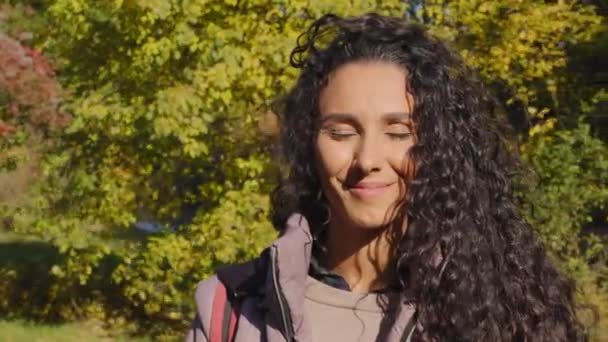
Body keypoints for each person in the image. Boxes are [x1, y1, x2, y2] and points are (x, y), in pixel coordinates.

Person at [186, 13, 583, 342]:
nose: (368, 159)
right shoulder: (230, 310)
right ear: (309, 145)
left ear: (440, 148)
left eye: (398, 132)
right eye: (341, 132)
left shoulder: (503, 311)